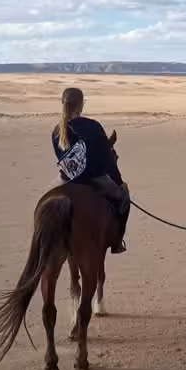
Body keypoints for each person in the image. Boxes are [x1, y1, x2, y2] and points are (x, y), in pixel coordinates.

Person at [52, 87, 130, 254]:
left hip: (65, 179)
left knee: (46, 202)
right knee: (124, 196)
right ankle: (117, 243)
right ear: (81, 104)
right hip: (93, 179)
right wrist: (118, 182)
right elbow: (107, 160)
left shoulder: (56, 131)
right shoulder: (93, 126)